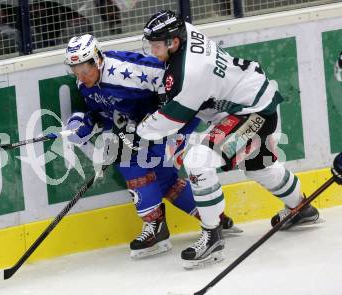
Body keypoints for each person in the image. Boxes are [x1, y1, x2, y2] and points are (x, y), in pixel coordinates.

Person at [137, 10, 320, 269]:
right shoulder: (186, 31)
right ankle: (302, 208)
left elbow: (171, 120)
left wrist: (139, 130)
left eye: (156, 46)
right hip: (256, 100)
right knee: (259, 167)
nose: (153, 51)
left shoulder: (190, 71)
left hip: (251, 112)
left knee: (199, 160)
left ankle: (212, 236)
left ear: (173, 42)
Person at [63, 34, 239, 259]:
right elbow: (109, 112)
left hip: (177, 115)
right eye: (74, 69)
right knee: (162, 179)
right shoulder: (85, 83)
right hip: (151, 125)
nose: (80, 75)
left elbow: (176, 81)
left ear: (97, 60)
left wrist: (152, 120)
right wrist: (87, 121)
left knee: (130, 160)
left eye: (84, 69)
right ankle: (213, 218)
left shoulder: (125, 71)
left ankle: (156, 228)